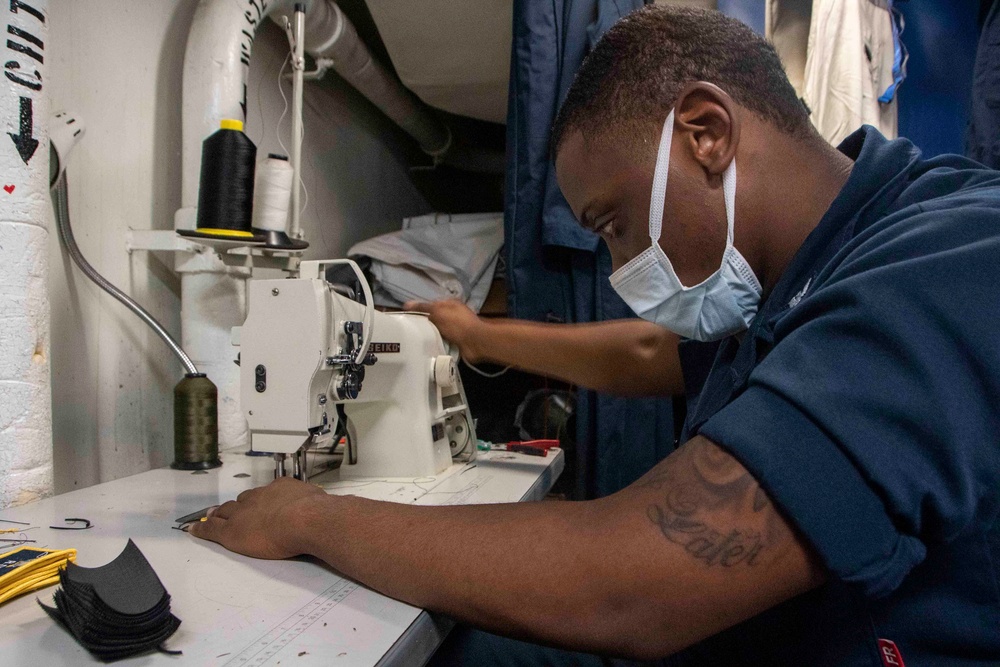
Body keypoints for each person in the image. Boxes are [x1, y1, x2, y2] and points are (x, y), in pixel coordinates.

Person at [191, 6, 1000, 665]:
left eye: (614, 227)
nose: (621, 268)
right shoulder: (803, 267)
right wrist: (484, 335)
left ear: (707, 133)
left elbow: (633, 581)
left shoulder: (943, 260)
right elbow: (653, 352)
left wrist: (313, 519)